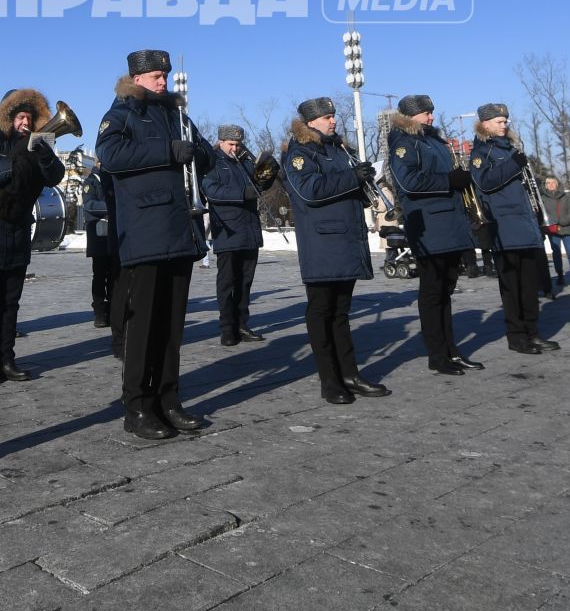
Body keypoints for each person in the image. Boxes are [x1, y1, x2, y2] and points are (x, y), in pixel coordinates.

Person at [95, 48, 213, 440]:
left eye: (165, 75)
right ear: (136, 78)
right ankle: (137, 407)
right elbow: (110, 156)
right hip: (145, 232)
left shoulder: (178, 116)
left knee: (172, 327)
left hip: (179, 231)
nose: (164, 81)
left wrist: (202, 152)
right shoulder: (121, 114)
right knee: (143, 327)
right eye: (156, 76)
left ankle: (169, 400)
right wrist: (167, 151)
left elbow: (201, 157)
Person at [283, 96, 390, 402]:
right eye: (327, 117)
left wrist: (365, 183)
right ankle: (330, 379)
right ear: (310, 122)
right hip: (321, 243)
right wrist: (350, 177)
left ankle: (350, 374)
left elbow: (344, 188)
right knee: (321, 310)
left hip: (345, 239)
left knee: (341, 312)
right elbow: (310, 191)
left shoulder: (341, 150)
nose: (333, 121)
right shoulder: (300, 153)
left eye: (333, 116)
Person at [0, 89, 64, 385]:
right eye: (20, 117)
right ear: (8, 118)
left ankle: (6, 360)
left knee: (11, 302)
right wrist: (19, 157)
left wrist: (45, 157)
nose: (25, 122)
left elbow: (55, 176)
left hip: (18, 231)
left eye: (29, 117)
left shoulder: (36, 146)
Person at [388, 95, 479, 373]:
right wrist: (448, 181)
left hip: (450, 223)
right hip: (429, 226)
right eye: (426, 114)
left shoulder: (434, 141)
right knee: (432, 292)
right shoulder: (405, 143)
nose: (431, 118)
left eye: (431, 113)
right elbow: (408, 182)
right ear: (410, 116)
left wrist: (459, 178)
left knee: (445, 291)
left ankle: (451, 350)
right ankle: (437, 355)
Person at [469, 105, 558, 354]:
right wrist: (513, 166)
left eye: (506, 120)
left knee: (530, 285)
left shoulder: (511, 148)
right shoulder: (481, 151)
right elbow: (483, 182)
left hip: (525, 223)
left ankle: (533, 332)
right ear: (485, 124)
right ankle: (517, 336)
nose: (504, 124)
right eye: (498, 121)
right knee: (512, 287)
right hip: (504, 226)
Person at [203, 123, 271, 346]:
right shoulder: (212, 161)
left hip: (249, 230)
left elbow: (258, 184)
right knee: (227, 284)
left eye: (238, 144)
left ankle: (242, 324)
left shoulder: (245, 161)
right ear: (221, 142)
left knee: (245, 283)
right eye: (231, 143)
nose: (235, 147)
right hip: (228, 232)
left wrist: (267, 173)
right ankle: (227, 328)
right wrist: (243, 193)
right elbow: (211, 191)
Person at [81, 167, 124, 348]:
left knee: (116, 275)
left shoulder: (116, 178)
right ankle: (99, 311)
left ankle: (115, 309)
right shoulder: (92, 181)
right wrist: (111, 208)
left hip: (115, 235)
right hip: (98, 236)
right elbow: (89, 204)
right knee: (99, 275)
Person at [538, 176, 570, 289]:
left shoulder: (566, 197)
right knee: (556, 253)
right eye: (548, 183)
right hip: (553, 230)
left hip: (567, 228)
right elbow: (543, 214)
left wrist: (563, 221)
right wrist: (552, 222)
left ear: (557, 184)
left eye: (553, 182)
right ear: (545, 185)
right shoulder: (542, 199)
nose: (551, 184)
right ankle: (560, 275)